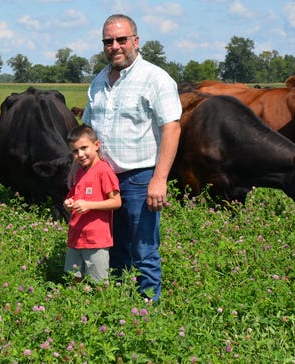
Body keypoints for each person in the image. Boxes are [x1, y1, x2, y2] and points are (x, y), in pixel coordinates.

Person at [81, 14, 182, 301]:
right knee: (112, 245)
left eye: (121, 39)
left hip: (140, 178)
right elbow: (88, 131)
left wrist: (159, 179)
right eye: (108, 41)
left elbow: (172, 128)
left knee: (144, 247)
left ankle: (149, 311)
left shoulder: (155, 78)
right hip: (104, 178)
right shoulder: (98, 81)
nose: (115, 46)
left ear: (136, 41)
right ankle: (121, 305)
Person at [63, 125, 121, 283]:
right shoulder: (81, 172)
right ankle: (74, 306)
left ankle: (101, 307)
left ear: (96, 145)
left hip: (96, 239)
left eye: (84, 148)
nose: (80, 154)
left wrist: (89, 205)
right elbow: (74, 198)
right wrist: (68, 203)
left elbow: (116, 201)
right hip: (76, 236)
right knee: (73, 278)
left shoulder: (103, 170)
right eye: (75, 151)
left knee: (98, 282)